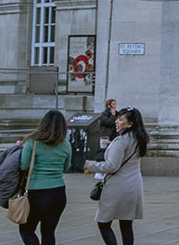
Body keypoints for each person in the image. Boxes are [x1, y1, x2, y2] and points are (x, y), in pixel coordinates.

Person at [85, 105, 148, 245]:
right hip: (134, 185)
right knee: (126, 225)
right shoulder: (138, 138)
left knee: (103, 223)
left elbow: (112, 166)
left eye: (120, 120)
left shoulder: (121, 141)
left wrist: (90, 165)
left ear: (130, 124)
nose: (116, 122)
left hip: (118, 187)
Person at [18, 109, 73, 245]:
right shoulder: (65, 144)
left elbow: (23, 166)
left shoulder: (32, 142)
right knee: (48, 232)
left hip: (36, 192)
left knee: (27, 229)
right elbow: (66, 167)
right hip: (58, 193)